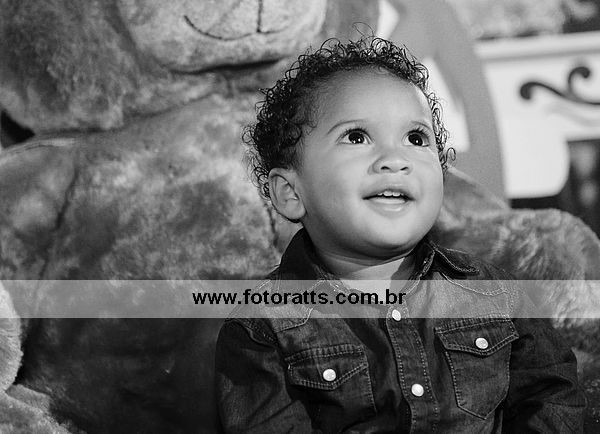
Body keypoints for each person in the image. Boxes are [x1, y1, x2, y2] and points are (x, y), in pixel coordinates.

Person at [215, 37, 586, 433]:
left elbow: (553, 398)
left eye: (416, 138)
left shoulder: (496, 294)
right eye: (356, 137)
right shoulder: (263, 327)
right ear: (291, 193)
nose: (395, 160)